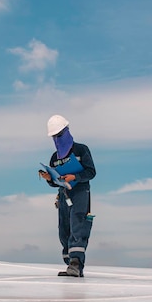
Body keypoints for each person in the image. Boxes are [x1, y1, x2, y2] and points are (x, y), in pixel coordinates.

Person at [38, 114, 96, 277]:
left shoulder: (81, 150)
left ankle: (76, 263)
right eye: (54, 136)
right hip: (63, 195)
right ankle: (70, 263)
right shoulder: (54, 157)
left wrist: (75, 177)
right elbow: (55, 181)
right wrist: (50, 179)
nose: (57, 139)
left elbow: (91, 172)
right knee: (64, 229)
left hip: (79, 193)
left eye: (60, 135)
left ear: (67, 131)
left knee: (78, 225)